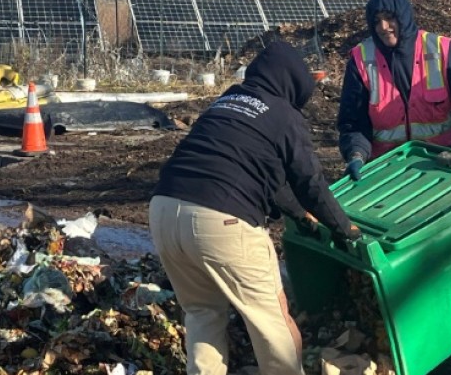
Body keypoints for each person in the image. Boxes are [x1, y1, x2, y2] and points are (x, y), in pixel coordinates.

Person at [149, 41, 359, 375]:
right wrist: (342, 226)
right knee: (271, 322)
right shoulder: (283, 115)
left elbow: (266, 178)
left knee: (203, 313)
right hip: (221, 222)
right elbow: (310, 182)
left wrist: (299, 216)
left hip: (164, 210)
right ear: (291, 84)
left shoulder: (227, 101)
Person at [336, 0, 451, 180]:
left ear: (403, 17)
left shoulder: (443, 51)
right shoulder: (361, 60)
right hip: (385, 169)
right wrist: (356, 154)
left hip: (442, 166)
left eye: (389, 17)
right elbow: (352, 121)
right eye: (376, 21)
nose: (383, 26)